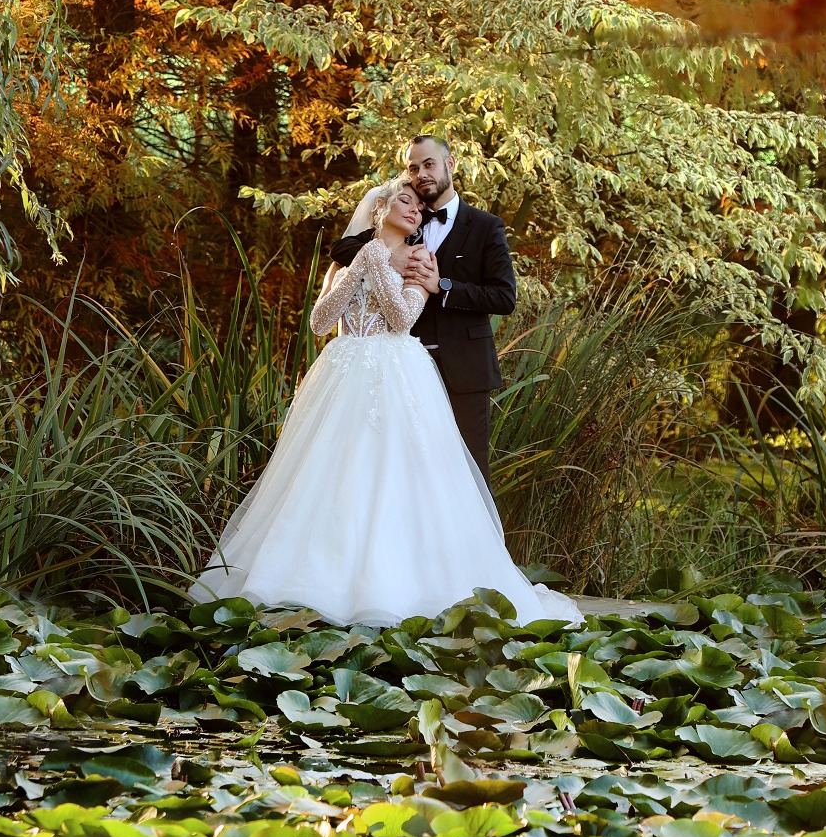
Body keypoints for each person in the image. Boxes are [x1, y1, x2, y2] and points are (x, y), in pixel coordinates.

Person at [189, 179, 579, 628]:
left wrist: (379, 264)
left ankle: (393, 584)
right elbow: (319, 322)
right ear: (380, 209)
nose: (415, 210)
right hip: (341, 374)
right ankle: (313, 580)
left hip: (396, 374)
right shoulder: (351, 260)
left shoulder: (420, 260)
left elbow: (402, 319)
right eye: (405, 201)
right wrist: (364, 263)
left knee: (396, 478)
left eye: (419, 206)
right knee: (331, 477)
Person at [329, 135, 512, 488]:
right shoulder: (404, 219)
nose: (421, 173)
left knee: (467, 478)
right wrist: (387, 254)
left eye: (429, 164)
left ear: (450, 164)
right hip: (402, 371)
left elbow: (503, 296)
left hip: (463, 369)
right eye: (414, 167)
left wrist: (444, 287)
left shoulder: (486, 226)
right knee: (406, 478)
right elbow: (343, 247)